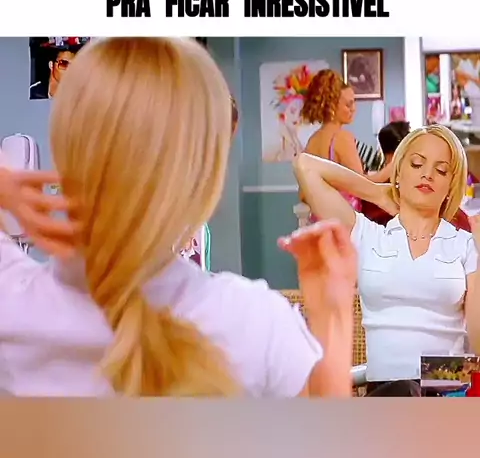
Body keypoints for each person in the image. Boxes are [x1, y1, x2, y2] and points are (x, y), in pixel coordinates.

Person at [0, 37, 356, 398]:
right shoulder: (255, 323)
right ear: (206, 170)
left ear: (63, 146)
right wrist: (333, 317)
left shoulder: (11, 302)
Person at [294, 124, 480, 395]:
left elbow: (477, 348)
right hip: (386, 392)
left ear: (451, 185)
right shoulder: (368, 235)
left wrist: (423, 377)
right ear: (398, 171)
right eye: (416, 164)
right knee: (402, 392)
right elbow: (305, 166)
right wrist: (374, 191)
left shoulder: (466, 244)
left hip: (445, 391)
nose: (427, 174)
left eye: (441, 170)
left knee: (410, 392)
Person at [301, 68, 362, 210]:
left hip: (319, 218)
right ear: (332, 106)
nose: (353, 109)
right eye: (348, 104)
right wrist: (391, 168)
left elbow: (303, 195)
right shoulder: (342, 138)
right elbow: (364, 185)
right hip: (344, 219)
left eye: (354, 103)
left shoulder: (313, 141)